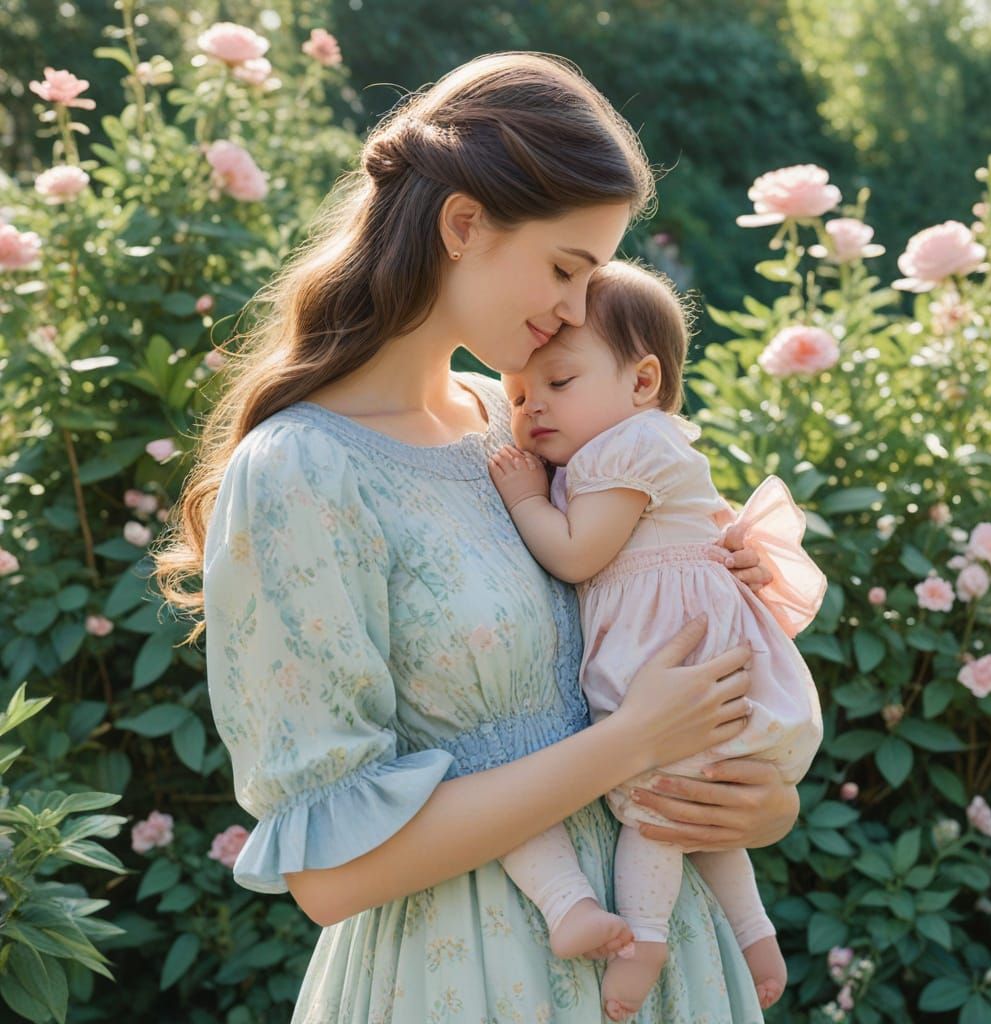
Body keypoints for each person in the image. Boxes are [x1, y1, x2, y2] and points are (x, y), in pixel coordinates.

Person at [155, 52, 803, 1023]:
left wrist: (759, 799)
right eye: (564, 268)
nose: (579, 312)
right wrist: (629, 742)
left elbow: (649, 637)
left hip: (670, 968)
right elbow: (330, 875)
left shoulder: (521, 433)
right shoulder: (301, 473)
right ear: (463, 225)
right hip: (465, 980)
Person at [488, 259, 827, 1020]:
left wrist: (520, 496)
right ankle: (754, 932)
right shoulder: (617, 448)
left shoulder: (625, 450)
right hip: (686, 655)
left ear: (642, 383)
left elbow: (576, 555)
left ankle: (642, 944)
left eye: (558, 383)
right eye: (516, 395)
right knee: (698, 807)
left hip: (676, 659)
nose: (531, 409)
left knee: (658, 805)